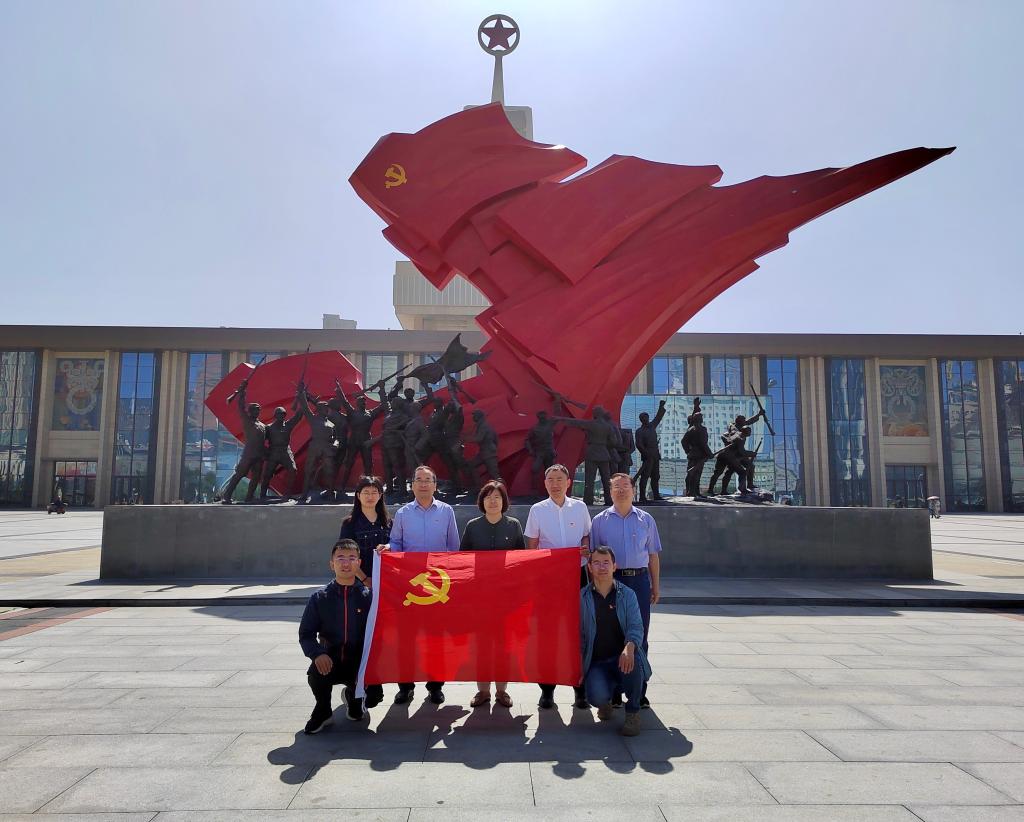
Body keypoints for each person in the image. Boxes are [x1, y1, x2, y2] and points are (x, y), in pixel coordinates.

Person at [378, 464, 460, 705]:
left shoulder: (446, 511)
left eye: (428, 480)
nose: (423, 484)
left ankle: (435, 686)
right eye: (419, 480)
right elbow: (396, 543)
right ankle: (405, 686)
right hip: (410, 586)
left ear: (435, 485)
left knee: (435, 639)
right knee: (406, 639)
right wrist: (387, 548)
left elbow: (454, 547)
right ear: (412, 485)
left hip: (438, 586)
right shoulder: (403, 513)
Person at [589, 473, 661, 708]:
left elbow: (653, 555)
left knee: (639, 634)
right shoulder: (599, 521)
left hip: (639, 581)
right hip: (611, 581)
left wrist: (655, 585)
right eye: (616, 487)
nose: (621, 490)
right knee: (611, 635)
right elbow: (593, 557)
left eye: (625, 486)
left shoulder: (646, 519)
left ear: (633, 490)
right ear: (610, 491)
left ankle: (639, 691)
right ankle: (615, 692)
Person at [524, 463, 592, 710]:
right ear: (545, 484)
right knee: (548, 634)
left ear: (568, 482)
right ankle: (547, 690)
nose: (555, 484)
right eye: (550, 480)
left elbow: (586, 536)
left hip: (577, 576)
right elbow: (532, 545)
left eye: (559, 479)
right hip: (548, 579)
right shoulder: (537, 510)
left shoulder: (580, 507)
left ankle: (580, 689)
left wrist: (585, 548)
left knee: (578, 633)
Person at [298, 539, 381, 734]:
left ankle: (353, 697)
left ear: (359, 563)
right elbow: (306, 634)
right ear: (332, 564)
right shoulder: (320, 598)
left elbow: (380, 633)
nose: (346, 563)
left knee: (373, 699)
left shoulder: (369, 597)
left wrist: (373, 664)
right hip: (330, 660)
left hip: (359, 664)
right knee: (316, 674)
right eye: (340, 558)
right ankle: (323, 710)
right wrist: (317, 654)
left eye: (352, 558)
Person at [459, 479, 525, 708]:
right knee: (481, 645)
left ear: (504, 501)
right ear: (482, 501)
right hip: (479, 597)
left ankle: (501, 691)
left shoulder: (514, 525)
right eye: (488, 497)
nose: (493, 501)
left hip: (506, 598)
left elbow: (521, 561)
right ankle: (483, 691)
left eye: (497, 497)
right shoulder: (473, 526)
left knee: (504, 645)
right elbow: (462, 560)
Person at [580, 546, 652, 737]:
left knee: (633, 659)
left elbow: (636, 626)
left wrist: (629, 647)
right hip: (598, 661)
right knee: (595, 697)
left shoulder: (627, 594)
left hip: (623, 658)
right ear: (589, 567)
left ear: (614, 566)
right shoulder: (582, 598)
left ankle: (633, 712)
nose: (602, 567)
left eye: (606, 562)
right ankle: (606, 700)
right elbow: (579, 635)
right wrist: (578, 664)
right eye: (596, 563)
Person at [338, 475, 392, 589]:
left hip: (386, 581)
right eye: (366, 492)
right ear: (358, 495)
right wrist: (365, 579)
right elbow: (346, 555)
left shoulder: (389, 523)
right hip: (358, 584)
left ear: (380, 495)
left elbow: (396, 548)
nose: (370, 496)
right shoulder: (350, 524)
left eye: (374, 492)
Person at [220, 381, 266, 504]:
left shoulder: (262, 425)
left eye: (258, 410)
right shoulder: (247, 421)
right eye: (255, 410)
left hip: (259, 455)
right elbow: (241, 407)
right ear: (250, 411)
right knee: (239, 474)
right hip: (248, 454)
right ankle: (227, 495)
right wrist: (243, 392)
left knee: (256, 477)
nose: (257, 412)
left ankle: (249, 497)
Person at [260, 406, 303, 499]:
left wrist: (304, 400)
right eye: (279, 414)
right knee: (267, 474)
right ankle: (262, 494)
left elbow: (298, 415)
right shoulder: (269, 427)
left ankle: (288, 493)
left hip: (285, 451)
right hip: (273, 452)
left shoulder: (288, 424)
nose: (281, 416)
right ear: (275, 415)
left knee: (293, 470)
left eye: (283, 414)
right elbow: (260, 441)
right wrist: (265, 452)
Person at [634, 399, 667, 503]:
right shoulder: (639, 431)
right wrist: (646, 453)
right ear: (641, 420)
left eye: (647, 417)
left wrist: (661, 406)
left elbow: (658, 417)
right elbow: (639, 444)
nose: (646, 419)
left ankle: (656, 495)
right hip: (647, 456)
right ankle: (642, 497)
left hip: (655, 455)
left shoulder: (652, 426)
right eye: (643, 418)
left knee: (656, 476)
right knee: (645, 476)